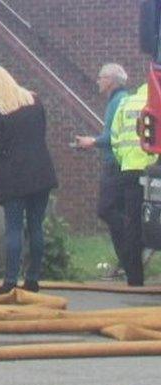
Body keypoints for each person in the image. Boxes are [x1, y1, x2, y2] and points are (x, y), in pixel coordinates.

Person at [0, 66, 59, 294]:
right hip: (41, 171)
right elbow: (41, 133)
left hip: (14, 176)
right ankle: (33, 279)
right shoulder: (34, 100)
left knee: (14, 228)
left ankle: (10, 281)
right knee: (36, 226)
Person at [75, 63, 130, 278]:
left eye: (101, 77)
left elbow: (114, 136)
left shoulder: (118, 102)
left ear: (111, 81)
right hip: (120, 162)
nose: (98, 80)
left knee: (106, 209)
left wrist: (93, 141)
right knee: (116, 210)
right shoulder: (117, 101)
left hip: (115, 163)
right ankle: (127, 260)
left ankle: (131, 250)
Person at [110, 83, 156, 286]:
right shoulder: (156, 102)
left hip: (129, 170)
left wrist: (124, 160)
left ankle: (134, 278)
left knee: (132, 224)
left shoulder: (125, 102)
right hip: (154, 170)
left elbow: (115, 139)